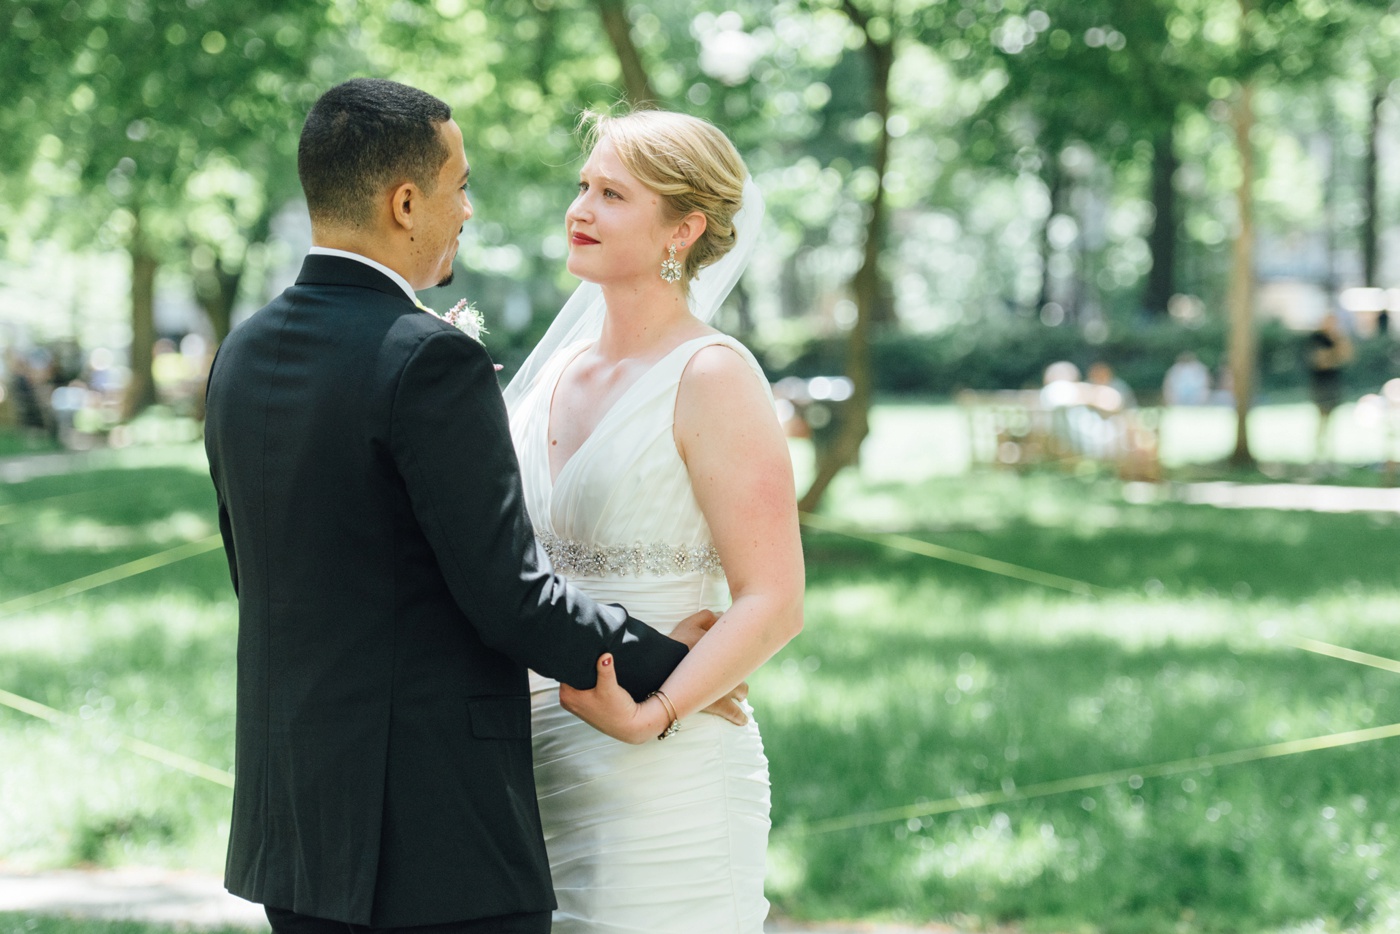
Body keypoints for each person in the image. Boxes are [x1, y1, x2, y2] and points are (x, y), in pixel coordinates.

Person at [203, 79, 716, 934]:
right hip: (434, 841)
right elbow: (509, 596)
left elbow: (256, 573)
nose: (468, 212)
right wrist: (669, 664)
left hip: (291, 827)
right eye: (460, 186)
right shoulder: (423, 359)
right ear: (406, 203)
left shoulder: (241, 354)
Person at [504, 110, 805, 932]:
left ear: (685, 228)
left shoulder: (712, 375)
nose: (580, 209)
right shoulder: (552, 373)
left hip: (665, 773)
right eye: (583, 187)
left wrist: (656, 710)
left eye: (612, 195)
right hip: (523, 762)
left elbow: (774, 599)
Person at [1307, 311, 1353, 463]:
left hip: (1334, 382)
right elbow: (1321, 361)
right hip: (1320, 384)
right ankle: (1317, 452)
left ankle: (1329, 454)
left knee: (1331, 419)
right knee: (1321, 418)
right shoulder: (1317, 339)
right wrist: (1334, 355)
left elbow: (1347, 356)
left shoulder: (1335, 339)